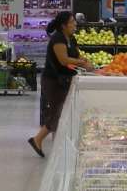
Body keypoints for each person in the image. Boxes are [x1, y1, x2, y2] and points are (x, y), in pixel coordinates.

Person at [28, 12, 92, 158]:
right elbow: (63, 60)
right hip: (53, 81)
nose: (75, 24)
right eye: (72, 22)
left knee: (59, 112)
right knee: (57, 112)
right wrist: (81, 63)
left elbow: (76, 55)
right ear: (64, 25)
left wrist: (86, 61)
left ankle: (56, 144)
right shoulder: (58, 38)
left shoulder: (70, 38)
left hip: (63, 80)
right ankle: (38, 139)